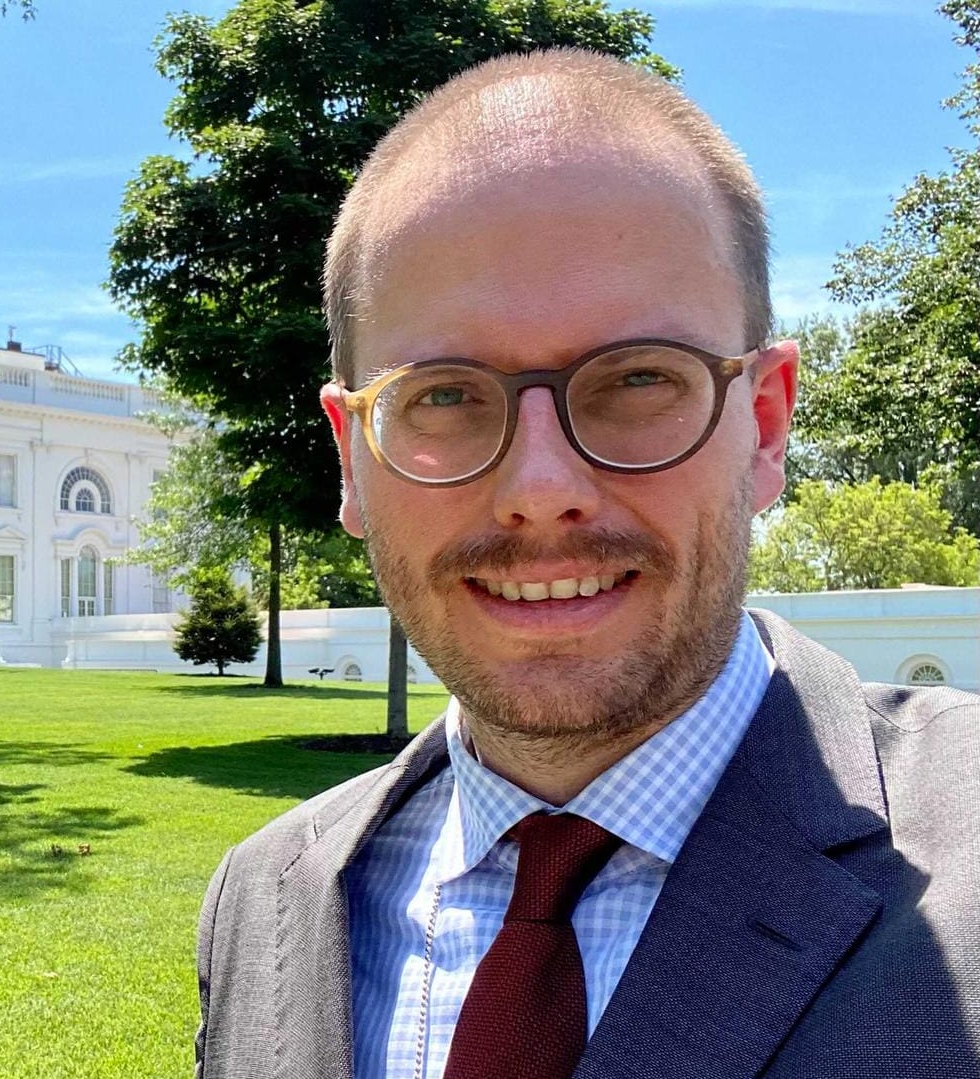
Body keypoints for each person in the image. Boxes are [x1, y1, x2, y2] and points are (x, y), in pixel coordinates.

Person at [193, 48, 980, 1079]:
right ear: (351, 455)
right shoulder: (263, 896)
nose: (540, 484)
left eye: (639, 377)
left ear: (768, 423)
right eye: (442, 393)